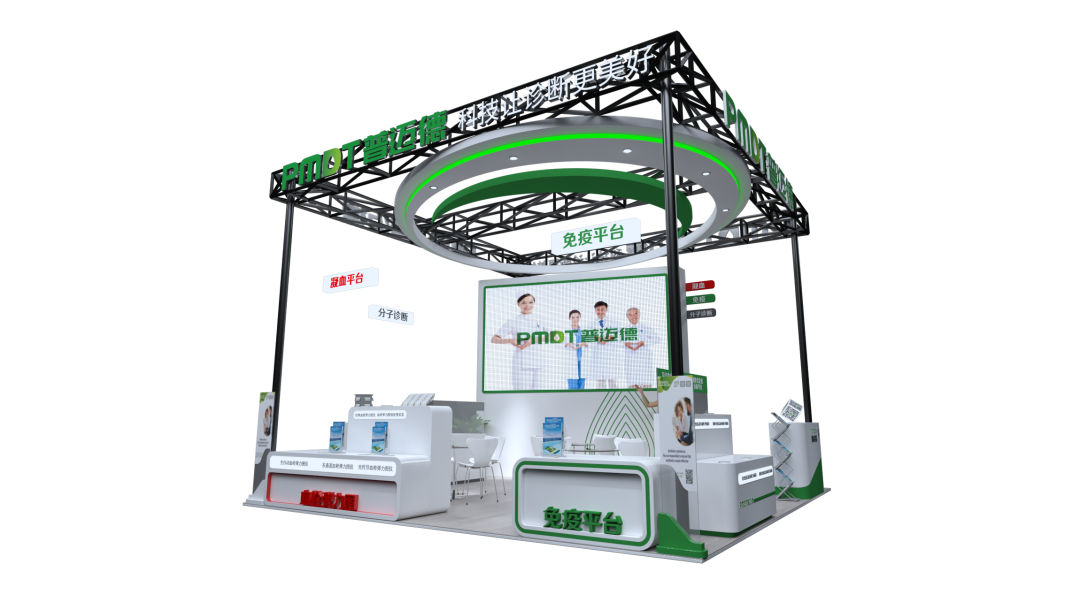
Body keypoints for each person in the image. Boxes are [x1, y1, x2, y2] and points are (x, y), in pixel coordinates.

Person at [491, 293, 547, 391]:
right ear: (518, 304)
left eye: (530, 302)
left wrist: (534, 339)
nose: (527, 305)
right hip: (521, 364)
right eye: (523, 303)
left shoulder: (540, 320)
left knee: (539, 394)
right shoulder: (513, 321)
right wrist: (510, 340)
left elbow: (555, 336)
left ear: (534, 303)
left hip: (539, 362)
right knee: (522, 394)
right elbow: (494, 339)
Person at [621, 307, 656, 389]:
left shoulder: (647, 328)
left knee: (647, 389)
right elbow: (616, 342)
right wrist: (625, 344)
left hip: (644, 362)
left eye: (635, 314)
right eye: (630, 314)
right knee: (633, 390)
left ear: (639, 315)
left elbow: (657, 339)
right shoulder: (624, 330)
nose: (633, 316)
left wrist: (644, 342)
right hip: (631, 363)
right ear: (627, 317)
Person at [587, 300, 619, 388]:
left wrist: (611, 337)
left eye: (602, 309)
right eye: (598, 309)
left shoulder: (615, 323)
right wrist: (596, 338)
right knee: (600, 384)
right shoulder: (590, 325)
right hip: (598, 357)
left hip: (611, 356)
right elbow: (587, 339)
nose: (600, 312)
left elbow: (621, 335)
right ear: (595, 310)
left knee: (613, 383)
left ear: (606, 310)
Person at [564, 309, 587, 389]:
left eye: (577, 317)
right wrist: (567, 344)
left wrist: (584, 343)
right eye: (573, 317)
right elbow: (558, 343)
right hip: (572, 361)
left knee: (582, 387)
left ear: (580, 318)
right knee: (572, 387)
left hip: (582, 361)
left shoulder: (584, 330)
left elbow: (591, 343)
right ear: (569, 318)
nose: (575, 319)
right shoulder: (565, 331)